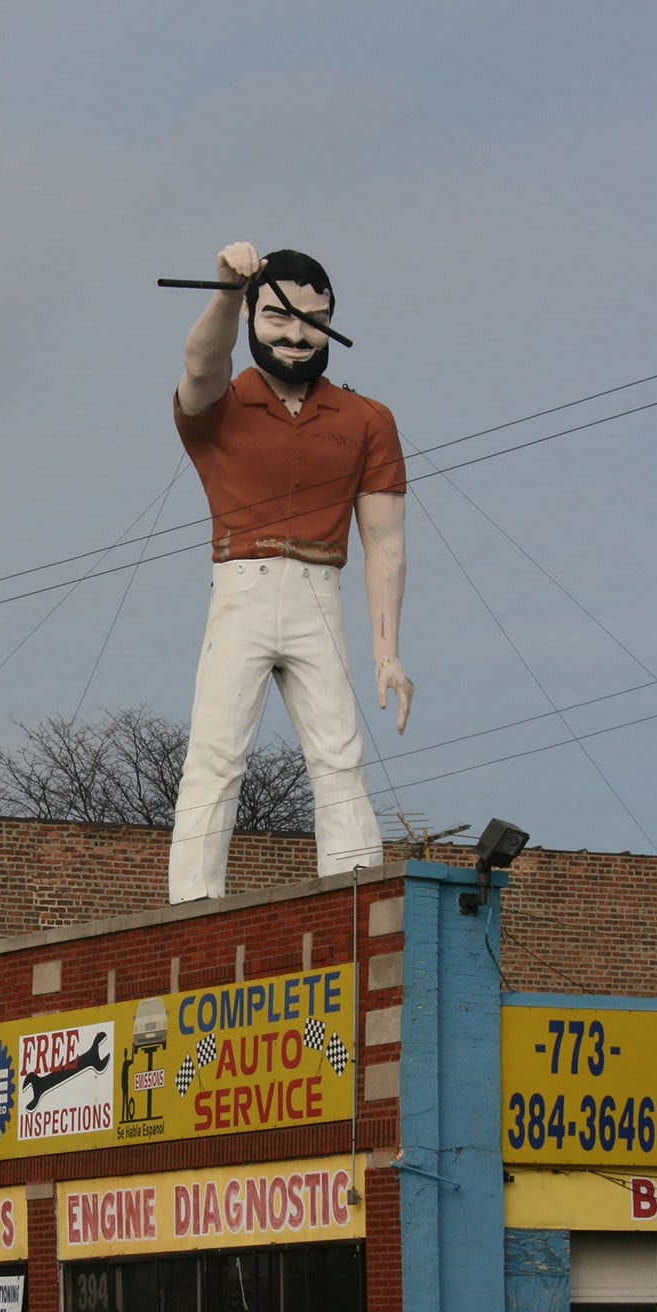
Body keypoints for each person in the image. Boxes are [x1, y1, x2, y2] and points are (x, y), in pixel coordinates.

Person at [168, 241, 412, 903]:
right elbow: (199, 363)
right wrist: (224, 289)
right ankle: (192, 908)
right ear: (249, 315)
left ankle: (356, 903)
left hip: (319, 588)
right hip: (241, 584)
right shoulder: (224, 400)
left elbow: (385, 543)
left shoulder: (367, 419)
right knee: (216, 754)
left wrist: (386, 651)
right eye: (277, 317)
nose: (297, 333)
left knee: (340, 755)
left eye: (314, 317)